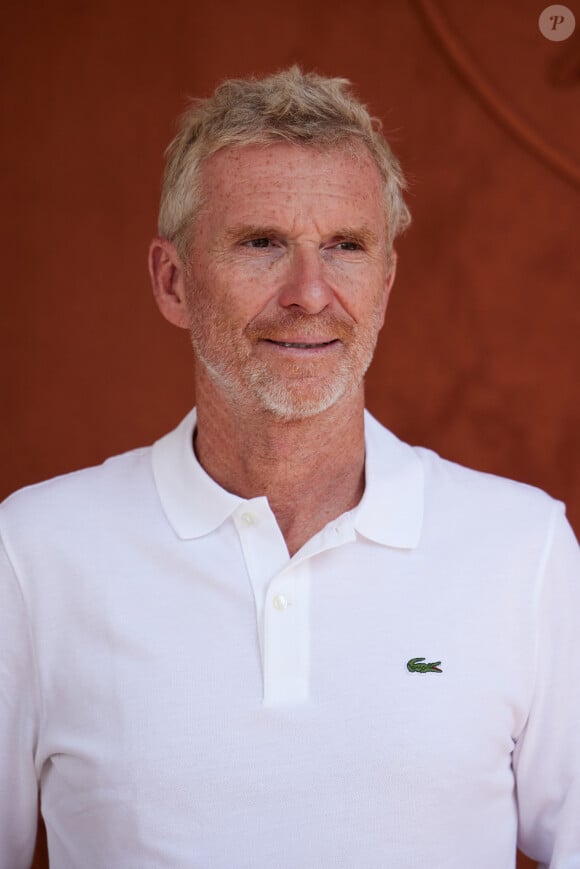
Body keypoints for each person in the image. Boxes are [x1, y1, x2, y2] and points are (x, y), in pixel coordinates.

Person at [0, 67, 579, 869]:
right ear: (173, 282)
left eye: (346, 246)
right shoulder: (33, 553)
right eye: (261, 243)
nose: (310, 293)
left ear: (385, 281)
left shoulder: (527, 548)